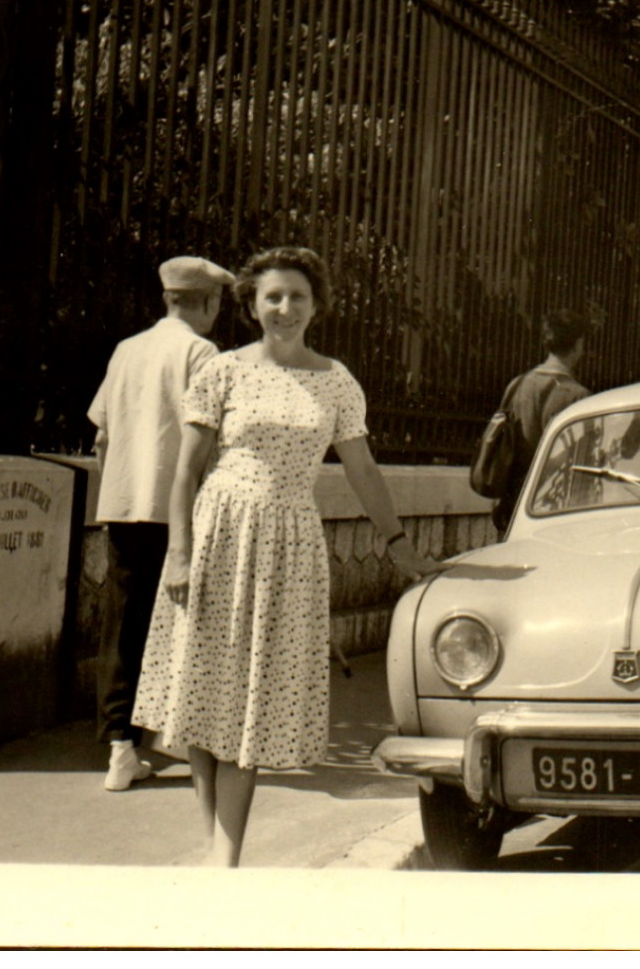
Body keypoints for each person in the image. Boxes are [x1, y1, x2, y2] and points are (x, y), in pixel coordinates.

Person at [132, 246, 440, 867]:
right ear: (251, 304)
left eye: (298, 296)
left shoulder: (336, 381)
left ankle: (226, 854)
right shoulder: (221, 371)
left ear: (317, 306)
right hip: (217, 534)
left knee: (249, 693)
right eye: (273, 296)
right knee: (201, 687)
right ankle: (215, 844)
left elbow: (363, 470)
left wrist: (400, 546)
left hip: (289, 545)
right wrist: (180, 552)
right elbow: (186, 472)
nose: (285, 308)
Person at [88, 255, 234, 793]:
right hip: (181, 510)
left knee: (123, 623)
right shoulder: (202, 353)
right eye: (217, 301)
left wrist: (120, 485)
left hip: (124, 503)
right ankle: (180, 739)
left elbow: (102, 436)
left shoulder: (127, 349)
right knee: (182, 623)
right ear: (206, 301)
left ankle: (119, 747)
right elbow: (212, 439)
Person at [492, 309, 592, 534]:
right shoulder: (578, 397)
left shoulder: (517, 386)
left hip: (513, 505)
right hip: (554, 508)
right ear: (577, 345)